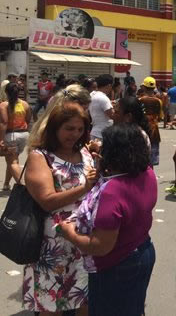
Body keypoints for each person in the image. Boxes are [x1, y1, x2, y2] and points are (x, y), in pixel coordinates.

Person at [59, 124, 157, 316]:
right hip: (142, 251)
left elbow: (100, 246)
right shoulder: (147, 172)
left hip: (116, 265)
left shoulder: (113, 190)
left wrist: (70, 233)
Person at [23, 102, 97, 314]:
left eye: (80, 129)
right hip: (54, 246)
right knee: (52, 305)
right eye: (69, 128)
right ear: (55, 127)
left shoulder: (84, 152)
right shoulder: (40, 157)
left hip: (84, 243)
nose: (75, 134)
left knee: (85, 302)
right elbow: (46, 200)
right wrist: (84, 187)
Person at [0, 83, 32, 190]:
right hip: (24, 135)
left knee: (13, 162)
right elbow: (28, 120)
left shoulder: (4, 105)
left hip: (11, 136)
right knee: (11, 160)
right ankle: (6, 184)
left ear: (6, 92)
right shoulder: (25, 104)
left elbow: (4, 122)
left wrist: (1, 139)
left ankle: (24, 187)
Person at [139, 77, 163, 168]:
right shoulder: (158, 101)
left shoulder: (140, 100)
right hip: (154, 132)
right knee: (151, 161)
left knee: (140, 158)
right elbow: (160, 117)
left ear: (144, 88)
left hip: (142, 131)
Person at [89, 74, 115, 141]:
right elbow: (112, 115)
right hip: (102, 134)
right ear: (109, 85)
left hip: (96, 131)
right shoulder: (103, 98)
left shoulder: (92, 95)